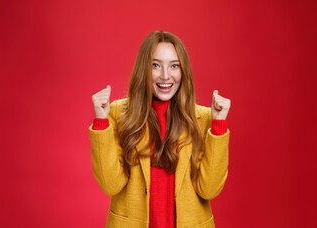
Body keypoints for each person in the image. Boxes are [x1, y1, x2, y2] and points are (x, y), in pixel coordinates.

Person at [88, 30, 231, 228]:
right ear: (143, 69)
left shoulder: (204, 118)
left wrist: (218, 126)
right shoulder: (118, 113)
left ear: (183, 71)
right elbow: (111, 184)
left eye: (174, 66)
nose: (165, 76)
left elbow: (209, 190)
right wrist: (101, 121)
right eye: (155, 65)